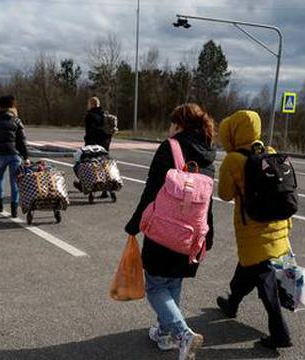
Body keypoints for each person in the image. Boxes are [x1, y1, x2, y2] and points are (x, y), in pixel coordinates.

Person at [125, 103, 216, 360]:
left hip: (164, 229)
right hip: (192, 234)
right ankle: (164, 335)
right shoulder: (209, 152)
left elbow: (151, 190)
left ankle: (182, 333)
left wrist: (134, 224)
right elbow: (207, 200)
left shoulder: (170, 147)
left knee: (154, 286)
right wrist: (208, 234)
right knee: (173, 281)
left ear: (179, 124)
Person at [215, 110, 293, 349]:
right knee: (247, 270)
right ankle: (232, 303)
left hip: (252, 229)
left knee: (264, 281)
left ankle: (280, 334)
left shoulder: (233, 159)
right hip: (278, 225)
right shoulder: (269, 152)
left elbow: (225, 195)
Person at [0, 95, 30, 218]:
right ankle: (14, 209)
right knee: (15, 181)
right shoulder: (16, 120)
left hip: (0, 154)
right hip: (14, 155)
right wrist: (26, 157)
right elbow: (22, 141)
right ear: (12, 106)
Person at [79, 96, 114, 198]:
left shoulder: (90, 116)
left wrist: (87, 143)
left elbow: (90, 131)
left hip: (93, 144)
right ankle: (106, 191)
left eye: (88, 104)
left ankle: (86, 185)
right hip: (105, 145)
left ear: (92, 104)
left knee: (89, 165)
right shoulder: (104, 115)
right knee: (104, 165)